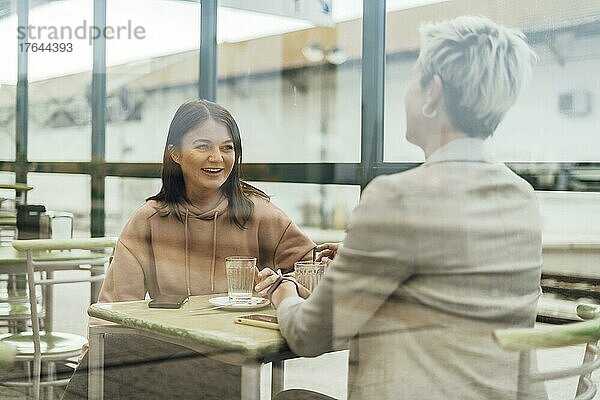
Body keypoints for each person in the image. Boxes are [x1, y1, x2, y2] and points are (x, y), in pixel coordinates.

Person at [257, 16, 545, 400]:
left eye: (413, 79)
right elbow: (453, 285)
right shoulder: (520, 195)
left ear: (433, 93)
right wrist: (364, 262)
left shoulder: (399, 197)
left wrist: (284, 291)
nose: (407, 92)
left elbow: (311, 334)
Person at [62, 99, 315, 400]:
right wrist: (90, 361)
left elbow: (312, 271)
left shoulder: (259, 213)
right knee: (114, 352)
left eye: (227, 147)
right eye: (203, 146)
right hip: (161, 350)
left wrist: (281, 285)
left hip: (228, 358)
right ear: (175, 154)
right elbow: (114, 308)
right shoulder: (149, 218)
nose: (217, 158)